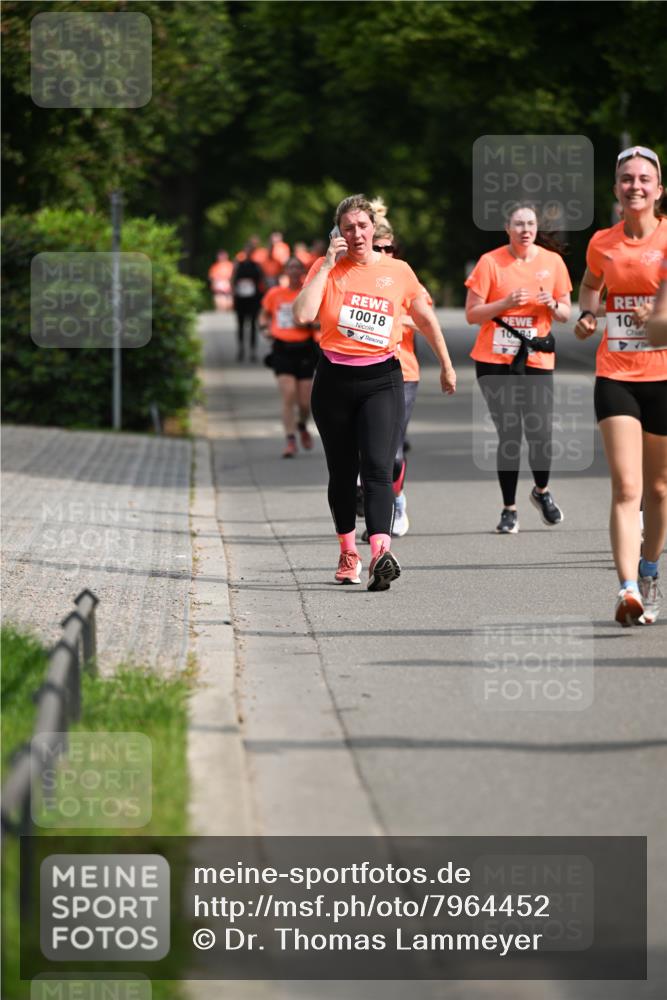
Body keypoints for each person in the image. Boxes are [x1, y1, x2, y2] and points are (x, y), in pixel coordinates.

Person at [293, 194, 456, 591]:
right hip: (334, 380)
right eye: (348, 228)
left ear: (374, 227)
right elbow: (302, 315)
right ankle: (348, 551)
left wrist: (447, 365)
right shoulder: (326, 268)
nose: (357, 234)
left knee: (379, 468)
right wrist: (327, 266)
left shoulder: (398, 271)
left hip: (382, 379)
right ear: (338, 233)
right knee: (343, 472)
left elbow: (424, 317)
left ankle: (381, 552)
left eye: (362, 226)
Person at [575, 145, 667, 625]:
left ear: (659, 190)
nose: (635, 186)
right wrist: (590, 313)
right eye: (626, 179)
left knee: (658, 489)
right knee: (626, 485)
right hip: (615, 373)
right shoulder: (602, 242)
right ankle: (627, 588)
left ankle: (650, 571)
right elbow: (590, 286)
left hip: (664, 376)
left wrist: (658, 318)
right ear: (615, 190)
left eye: (643, 179)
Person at [464, 201, 572, 534]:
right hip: (495, 360)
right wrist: (505, 304)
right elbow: (472, 313)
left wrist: (554, 306)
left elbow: (566, 311)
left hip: (537, 358)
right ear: (507, 228)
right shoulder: (490, 263)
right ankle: (508, 509)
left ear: (537, 228)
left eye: (530, 224)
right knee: (510, 434)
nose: (525, 230)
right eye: (519, 224)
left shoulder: (552, 262)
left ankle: (541, 491)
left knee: (540, 432)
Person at [360, 209, 431, 538]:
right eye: (380, 247)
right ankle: (378, 509)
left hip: (403, 373)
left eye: (390, 248)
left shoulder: (405, 277)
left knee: (394, 450)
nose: (385, 253)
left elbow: (428, 321)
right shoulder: (357, 277)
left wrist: (402, 320)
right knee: (368, 447)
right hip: (363, 371)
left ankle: (397, 500)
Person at [260, 257, 317, 458]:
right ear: (285, 271)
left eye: (297, 268)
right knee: (288, 395)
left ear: (302, 271)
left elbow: (321, 320)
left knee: (304, 402)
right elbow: (264, 314)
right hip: (282, 349)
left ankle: (301, 425)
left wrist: (308, 325)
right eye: (290, 267)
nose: (293, 271)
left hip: (305, 350)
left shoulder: (309, 293)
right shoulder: (275, 293)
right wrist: (264, 328)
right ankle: (290, 439)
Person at [231, 244, 264, 362]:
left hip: (253, 299)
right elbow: (233, 280)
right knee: (240, 325)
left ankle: (252, 350)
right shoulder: (238, 265)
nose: (249, 253)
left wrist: (261, 297)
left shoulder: (256, 266)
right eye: (247, 251)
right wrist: (234, 295)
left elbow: (261, 281)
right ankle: (241, 349)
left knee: (253, 326)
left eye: (251, 251)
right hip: (241, 299)